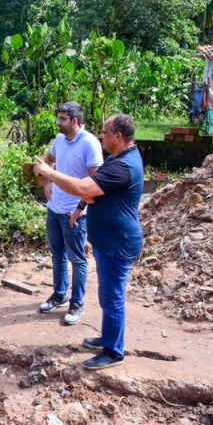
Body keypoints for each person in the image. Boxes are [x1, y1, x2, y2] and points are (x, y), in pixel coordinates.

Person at [34, 114, 143, 370]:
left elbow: (84, 187)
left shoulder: (123, 166)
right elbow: (91, 192)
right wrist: (83, 202)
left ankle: (113, 352)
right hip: (110, 241)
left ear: (118, 136)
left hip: (118, 242)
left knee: (113, 297)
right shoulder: (117, 160)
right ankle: (107, 338)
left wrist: (51, 173)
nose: (101, 135)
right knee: (107, 295)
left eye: (105, 132)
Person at [37, 102, 103, 326]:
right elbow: (49, 160)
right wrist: (47, 180)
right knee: (57, 254)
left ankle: (77, 303)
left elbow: (95, 183)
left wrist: (79, 210)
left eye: (63, 119)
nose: (58, 123)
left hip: (74, 213)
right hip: (54, 209)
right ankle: (59, 294)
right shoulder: (59, 140)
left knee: (77, 259)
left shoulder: (90, 144)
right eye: (58, 118)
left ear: (75, 121)